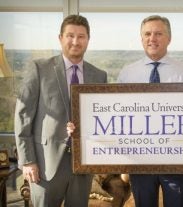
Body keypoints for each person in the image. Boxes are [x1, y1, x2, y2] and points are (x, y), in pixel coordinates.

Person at [14, 14, 107, 207]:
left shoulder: (99, 75)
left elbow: (102, 119)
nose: (75, 41)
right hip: (45, 164)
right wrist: (28, 160)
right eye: (70, 35)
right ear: (60, 38)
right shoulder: (39, 68)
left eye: (81, 36)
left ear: (88, 40)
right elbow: (23, 115)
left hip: (83, 165)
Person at [117, 15, 183, 207]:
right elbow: (118, 117)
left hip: (176, 161)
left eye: (158, 33)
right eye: (147, 34)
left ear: (169, 38)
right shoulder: (127, 74)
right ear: (141, 38)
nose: (152, 38)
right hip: (140, 162)